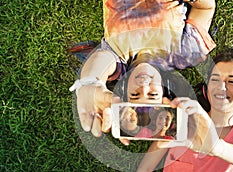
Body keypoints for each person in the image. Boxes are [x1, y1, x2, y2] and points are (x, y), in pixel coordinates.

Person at [128, 50, 233, 172]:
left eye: (232, 81)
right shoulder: (181, 122)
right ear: (205, 88)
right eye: (215, 80)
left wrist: (216, 147)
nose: (221, 87)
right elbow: (145, 170)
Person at [69, 0, 216, 137]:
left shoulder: (118, 58)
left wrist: (89, 83)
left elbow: (99, 61)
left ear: (124, 87)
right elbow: (206, 7)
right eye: (152, 95)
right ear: (165, 89)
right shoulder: (185, 54)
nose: (144, 87)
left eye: (134, 94)